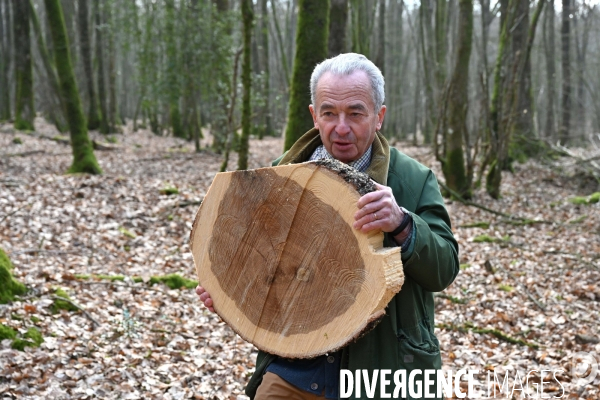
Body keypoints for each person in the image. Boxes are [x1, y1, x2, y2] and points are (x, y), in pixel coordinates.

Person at [196, 53, 459, 399]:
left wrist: (403, 223)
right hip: (295, 368)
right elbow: (265, 263)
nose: (341, 127)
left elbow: (444, 269)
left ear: (379, 116)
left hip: (383, 371)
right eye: (329, 113)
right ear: (313, 116)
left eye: (355, 113)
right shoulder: (280, 175)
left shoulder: (412, 179)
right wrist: (233, 289)